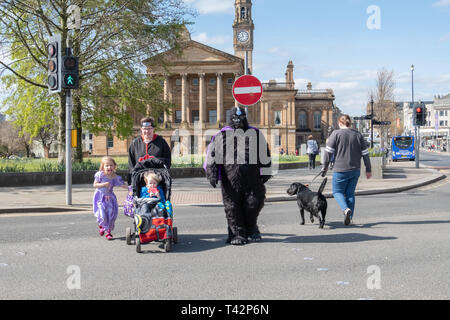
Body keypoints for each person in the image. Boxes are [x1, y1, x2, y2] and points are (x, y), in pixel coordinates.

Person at [320, 115, 372, 226]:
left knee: (337, 192)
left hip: (340, 169)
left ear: (340, 123)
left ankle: (345, 210)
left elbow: (328, 152)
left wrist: (325, 167)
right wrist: (368, 169)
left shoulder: (336, 134)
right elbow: (365, 154)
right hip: (355, 170)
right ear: (350, 124)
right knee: (350, 194)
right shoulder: (358, 135)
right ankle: (350, 218)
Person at [93, 156, 129, 240]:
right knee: (102, 213)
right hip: (100, 196)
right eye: (107, 165)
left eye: (111, 165)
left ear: (114, 166)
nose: (109, 167)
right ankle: (102, 226)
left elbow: (121, 185)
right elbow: (95, 185)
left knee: (110, 214)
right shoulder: (100, 175)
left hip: (110, 197)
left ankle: (108, 232)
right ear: (103, 167)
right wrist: (103, 184)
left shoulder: (115, 177)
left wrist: (130, 187)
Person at [127, 116, 172, 183]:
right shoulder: (135, 143)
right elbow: (131, 165)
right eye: (144, 129)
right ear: (141, 129)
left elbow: (168, 161)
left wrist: (154, 160)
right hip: (139, 180)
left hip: (157, 180)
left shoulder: (161, 142)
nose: (147, 131)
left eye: (149, 128)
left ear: (153, 129)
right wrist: (130, 183)